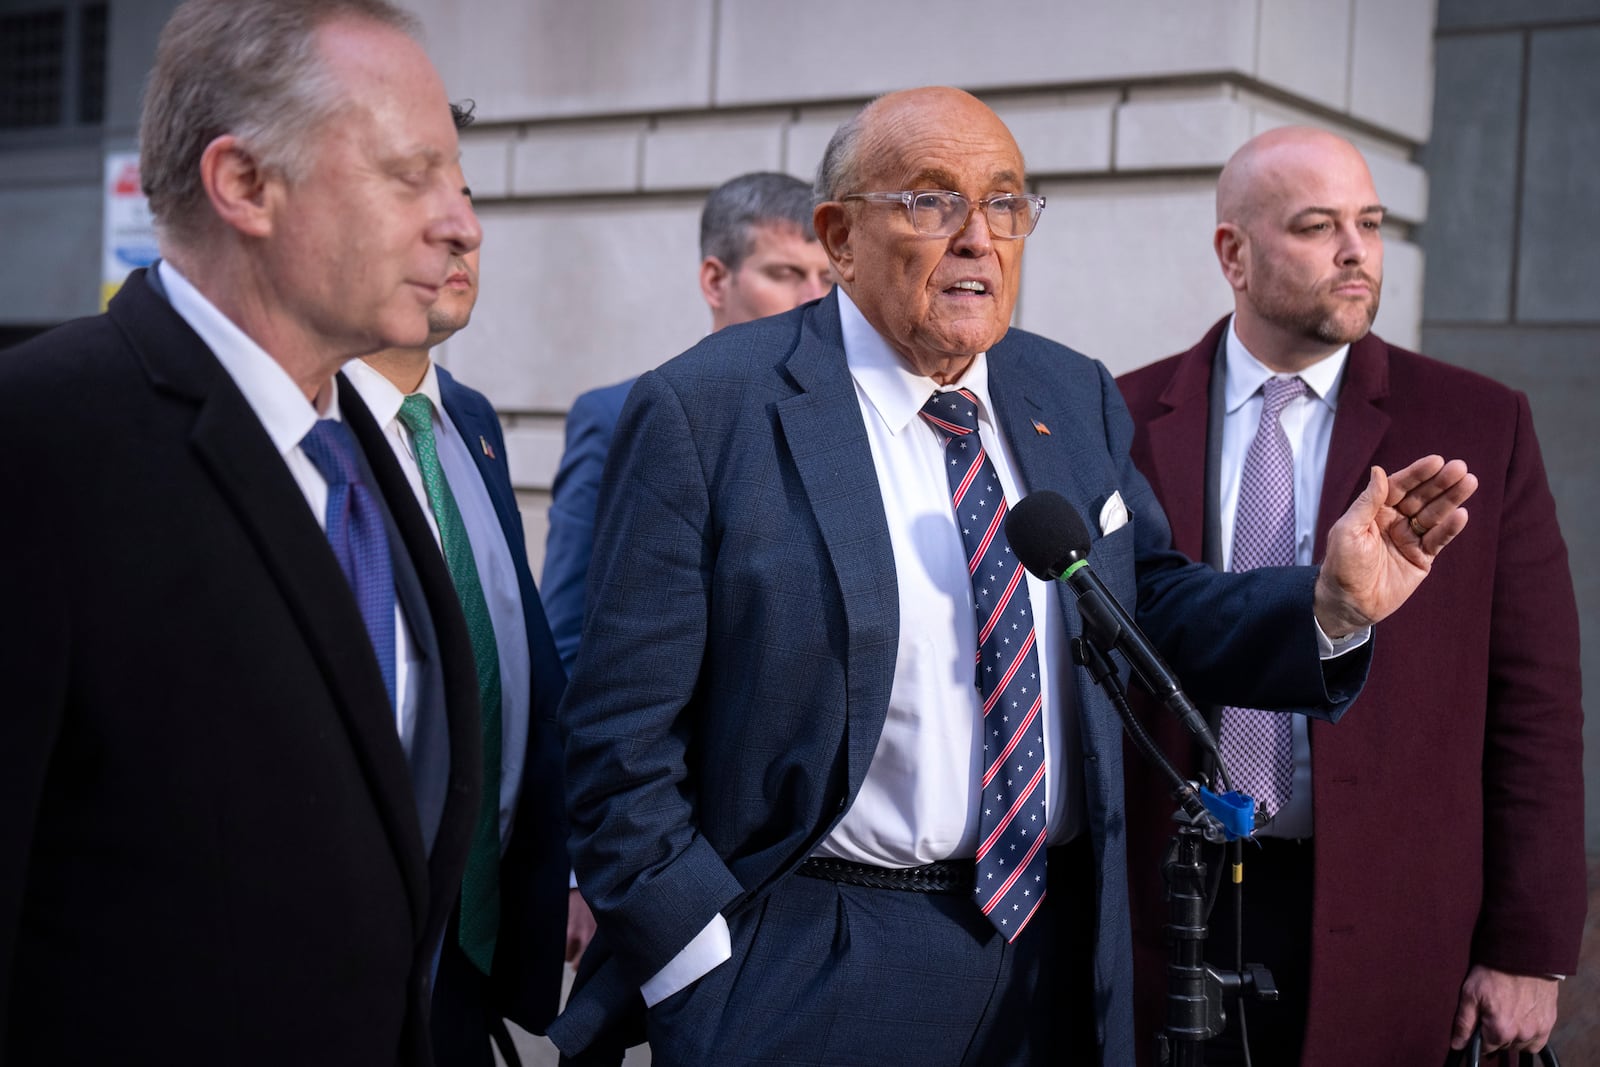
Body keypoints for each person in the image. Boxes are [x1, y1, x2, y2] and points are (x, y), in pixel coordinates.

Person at [547, 87, 1477, 1066]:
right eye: (930, 201)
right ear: (839, 236)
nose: (978, 237)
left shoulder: (1066, 390)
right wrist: (698, 962)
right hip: (812, 957)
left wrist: (1326, 604)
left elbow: (1143, 602)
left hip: (1057, 957)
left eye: (1005, 203)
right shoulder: (709, 409)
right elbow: (617, 740)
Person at [0, 1, 485, 1063]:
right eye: (411, 175)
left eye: (458, 178)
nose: (461, 222)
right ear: (245, 185)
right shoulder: (38, 442)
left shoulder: (369, 442)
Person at [1117, 126, 1585, 1064]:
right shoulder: (1119, 414)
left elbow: (1535, 696)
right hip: (1164, 905)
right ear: (1232, 253)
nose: (1355, 251)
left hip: (1386, 911)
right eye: (1317, 225)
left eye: (1368, 223)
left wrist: (1528, 949)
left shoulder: (1477, 423)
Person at [346, 101, 592, 1067]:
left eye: (467, 195)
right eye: (415, 194)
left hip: (471, 960)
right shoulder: (299, 432)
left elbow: (520, 657)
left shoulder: (473, 422)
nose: (462, 230)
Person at [542, 171, 833, 672]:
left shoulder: (850, 421)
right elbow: (569, 637)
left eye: (827, 278)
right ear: (716, 280)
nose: (814, 298)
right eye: (784, 273)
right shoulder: (617, 416)